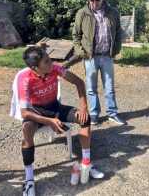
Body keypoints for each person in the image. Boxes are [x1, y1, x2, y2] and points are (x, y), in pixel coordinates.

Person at [11, 45, 103, 196]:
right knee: (27, 129)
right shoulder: (24, 78)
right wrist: (49, 121)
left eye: (49, 59)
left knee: (84, 120)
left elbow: (79, 82)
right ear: (35, 67)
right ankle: (28, 179)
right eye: (46, 61)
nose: (51, 63)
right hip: (36, 112)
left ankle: (86, 163)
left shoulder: (55, 69)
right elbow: (25, 112)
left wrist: (84, 108)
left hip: (55, 107)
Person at [72, 0, 126, 125]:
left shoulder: (113, 12)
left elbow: (119, 32)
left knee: (109, 87)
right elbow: (76, 35)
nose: (94, 2)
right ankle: (94, 114)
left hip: (107, 56)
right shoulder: (82, 13)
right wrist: (80, 52)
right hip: (90, 57)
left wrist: (116, 49)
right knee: (91, 88)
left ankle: (112, 113)